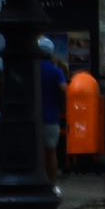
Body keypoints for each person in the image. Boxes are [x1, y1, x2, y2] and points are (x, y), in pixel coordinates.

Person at [38, 38, 67, 180]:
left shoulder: (32, 70)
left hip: (35, 118)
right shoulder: (56, 72)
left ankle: (40, 181)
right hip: (52, 117)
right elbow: (64, 90)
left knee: (39, 152)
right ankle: (52, 183)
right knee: (51, 152)